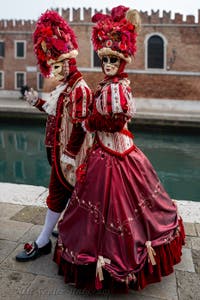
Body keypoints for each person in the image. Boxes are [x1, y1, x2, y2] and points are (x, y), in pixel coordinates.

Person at [53, 6, 185, 292]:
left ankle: (117, 260)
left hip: (114, 155)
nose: (109, 63)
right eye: (105, 59)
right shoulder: (110, 85)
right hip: (108, 152)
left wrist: (89, 122)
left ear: (122, 60)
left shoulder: (117, 88)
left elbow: (114, 121)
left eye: (114, 59)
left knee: (122, 211)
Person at [15, 10, 93, 262]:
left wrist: (70, 155)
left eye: (58, 66)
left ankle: (43, 241)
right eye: (52, 66)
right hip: (57, 153)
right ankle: (66, 229)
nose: (54, 72)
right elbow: (52, 113)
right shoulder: (65, 87)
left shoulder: (79, 89)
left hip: (68, 157)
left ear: (70, 62)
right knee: (68, 195)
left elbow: (81, 125)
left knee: (57, 194)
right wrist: (33, 100)